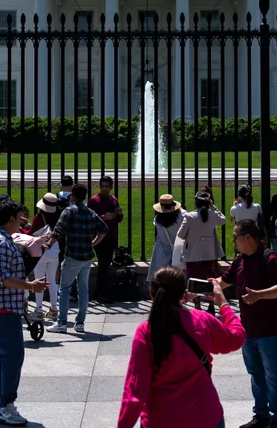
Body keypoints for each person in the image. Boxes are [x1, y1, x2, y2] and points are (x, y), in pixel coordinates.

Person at [118, 266, 246, 428]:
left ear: (151, 292)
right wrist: (223, 303)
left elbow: (135, 393)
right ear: (183, 293)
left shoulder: (146, 332)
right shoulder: (203, 321)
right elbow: (236, 337)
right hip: (206, 417)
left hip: (161, 420)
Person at [0, 198, 47, 426]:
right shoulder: (0, 243)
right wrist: (31, 286)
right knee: (13, 355)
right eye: (19, 217)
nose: (22, 220)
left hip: (0, 307)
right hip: (1, 307)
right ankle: (6, 406)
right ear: (10, 219)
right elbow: (2, 279)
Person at [217, 220, 277, 428]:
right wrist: (197, 289)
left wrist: (259, 295)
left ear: (248, 237)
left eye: (235, 237)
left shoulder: (270, 258)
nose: (233, 242)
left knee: (273, 374)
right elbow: (222, 282)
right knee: (256, 374)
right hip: (248, 329)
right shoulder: (241, 259)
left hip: (270, 330)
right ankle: (261, 415)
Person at [48, 183, 107, 333]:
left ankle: (61, 322)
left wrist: (48, 245)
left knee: (65, 288)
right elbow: (103, 230)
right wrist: (93, 243)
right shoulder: (90, 212)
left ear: (72, 196)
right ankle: (80, 322)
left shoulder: (69, 211)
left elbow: (58, 231)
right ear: (85, 197)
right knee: (83, 290)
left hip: (73, 255)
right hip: (87, 256)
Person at [177, 190, 227, 313]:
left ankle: (197, 306)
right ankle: (211, 304)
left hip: (194, 255)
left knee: (194, 282)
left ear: (196, 203)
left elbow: (181, 234)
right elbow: (223, 219)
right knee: (210, 280)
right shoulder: (213, 215)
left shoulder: (189, 216)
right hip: (210, 254)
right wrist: (213, 207)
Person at [87, 175, 124, 304]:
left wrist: (118, 214)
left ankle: (99, 292)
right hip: (98, 237)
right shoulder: (93, 200)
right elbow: (90, 219)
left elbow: (119, 219)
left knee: (105, 265)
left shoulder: (113, 200)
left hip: (111, 237)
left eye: (106, 187)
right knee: (103, 265)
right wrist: (104, 217)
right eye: (102, 186)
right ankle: (103, 293)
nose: (104, 189)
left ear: (111, 187)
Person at [29, 193, 62, 319]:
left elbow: (31, 233)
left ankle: (38, 310)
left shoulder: (39, 217)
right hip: (55, 247)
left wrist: (24, 226)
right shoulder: (58, 217)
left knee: (39, 280)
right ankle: (54, 308)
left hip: (41, 248)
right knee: (52, 280)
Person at [148, 195, 184, 282]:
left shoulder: (157, 220)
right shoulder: (181, 217)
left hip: (162, 251)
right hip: (178, 249)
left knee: (161, 277)